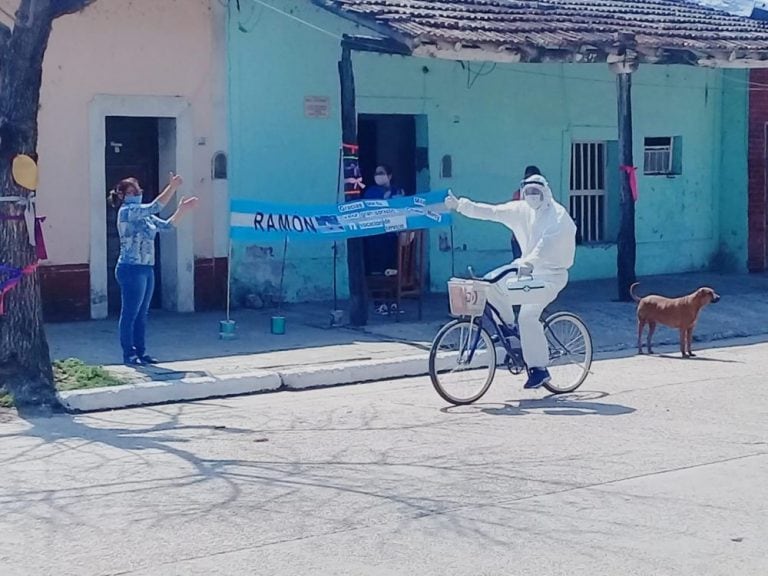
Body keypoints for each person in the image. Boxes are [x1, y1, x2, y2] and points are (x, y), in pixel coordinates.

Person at [445, 174, 577, 389]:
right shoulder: (521, 210)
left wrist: (531, 262)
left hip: (551, 274)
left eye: (536, 192)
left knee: (527, 316)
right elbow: (492, 212)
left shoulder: (558, 217)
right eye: (528, 192)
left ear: (545, 192)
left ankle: (538, 369)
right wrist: (460, 205)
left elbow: (546, 245)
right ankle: (508, 328)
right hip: (525, 267)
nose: (532, 196)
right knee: (490, 284)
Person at [108, 173, 198, 365]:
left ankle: (141, 352)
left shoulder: (145, 216)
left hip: (147, 268)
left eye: (137, 190)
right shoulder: (126, 212)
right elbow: (155, 206)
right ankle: (129, 354)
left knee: (142, 314)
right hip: (130, 268)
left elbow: (166, 226)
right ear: (122, 195)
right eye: (130, 191)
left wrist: (182, 210)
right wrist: (172, 187)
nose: (135, 193)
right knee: (130, 313)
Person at [363, 164, 405, 315]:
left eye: (382, 173)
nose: (378, 175)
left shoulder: (397, 191)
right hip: (375, 238)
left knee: (392, 270)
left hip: (392, 237)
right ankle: (379, 302)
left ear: (389, 176)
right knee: (377, 272)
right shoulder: (371, 192)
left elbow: (403, 208)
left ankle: (393, 301)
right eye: (377, 173)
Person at [510, 165, 542, 260]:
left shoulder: (544, 196)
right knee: (519, 265)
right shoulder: (518, 194)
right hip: (519, 236)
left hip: (536, 237)